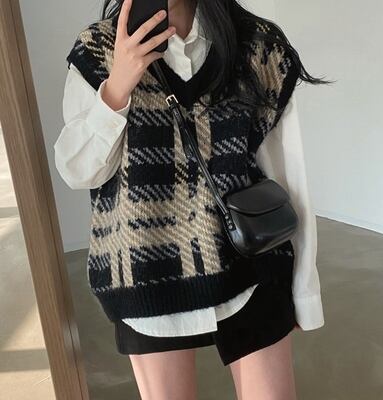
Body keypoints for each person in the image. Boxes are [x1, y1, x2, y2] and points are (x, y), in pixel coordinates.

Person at [54, 0, 331, 398]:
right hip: (146, 273)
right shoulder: (98, 49)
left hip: (249, 267)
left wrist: (304, 289)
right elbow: (78, 171)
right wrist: (116, 88)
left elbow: (288, 176)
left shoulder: (258, 47)